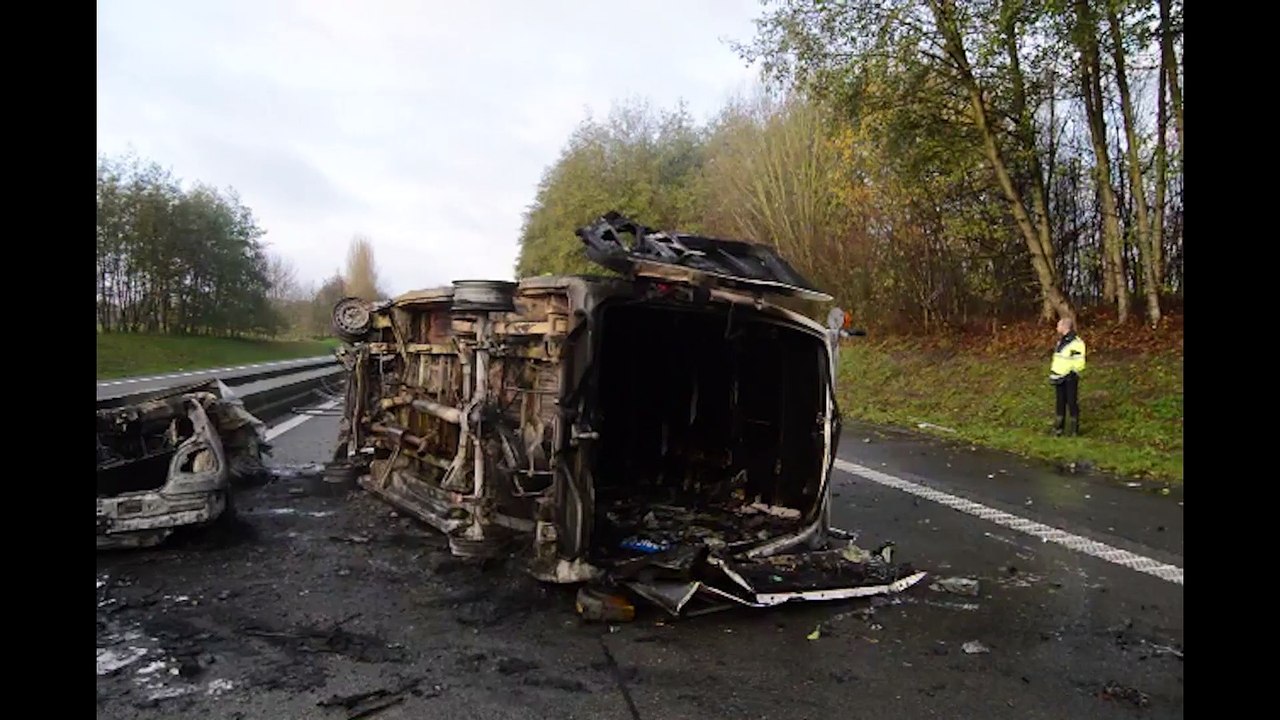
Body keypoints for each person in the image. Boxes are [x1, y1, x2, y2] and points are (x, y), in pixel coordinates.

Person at [1049, 316, 1086, 436]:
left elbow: (1079, 361)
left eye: (1058, 325)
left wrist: (1072, 372)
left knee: (1071, 402)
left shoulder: (1077, 343)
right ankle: (1059, 428)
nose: (1057, 327)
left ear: (1065, 327)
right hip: (1059, 376)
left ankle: (1074, 430)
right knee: (1060, 403)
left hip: (1070, 377)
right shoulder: (1061, 341)